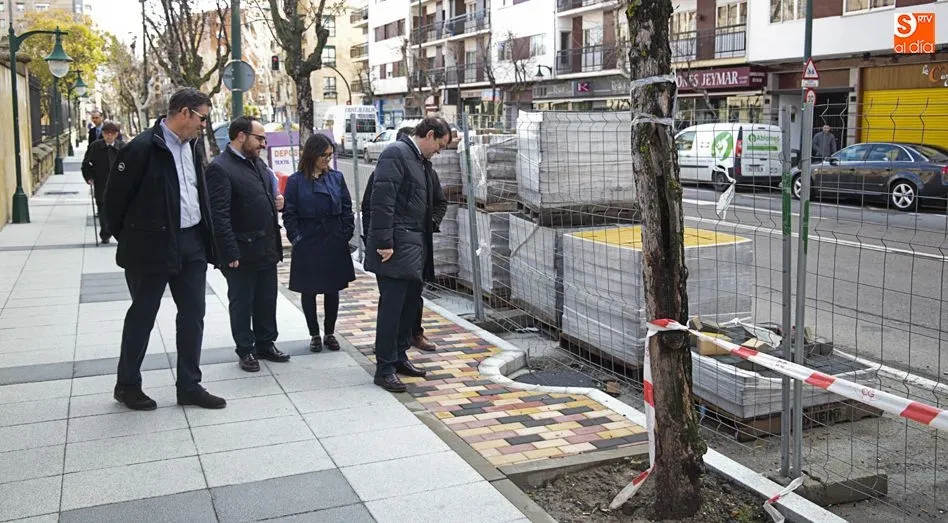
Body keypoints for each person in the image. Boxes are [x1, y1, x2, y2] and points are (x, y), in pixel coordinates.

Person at [104, 87, 226, 411]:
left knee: (193, 314)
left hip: (192, 243)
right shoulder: (142, 148)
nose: (204, 125)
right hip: (152, 247)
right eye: (202, 118)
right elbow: (113, 205)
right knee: (143, 316)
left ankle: (190, 385)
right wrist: (137, 238)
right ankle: (127, 385)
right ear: (184, 113)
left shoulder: (194, 146)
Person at [364, 117, 451, 392]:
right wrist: (385, 242)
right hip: (395, 248)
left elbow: (439, 201)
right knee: (391, 309)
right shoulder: (396, 154)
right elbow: (381, 201)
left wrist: (430, 225)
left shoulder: (422, 163)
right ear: (428, 134)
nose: (439, 150)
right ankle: (384, 367)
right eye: (440, 144)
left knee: (409, 308)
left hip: (416, 246)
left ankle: (400, 357)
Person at [205, 116, 290, 373]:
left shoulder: (258, 164)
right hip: (240, 251)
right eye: (259, 138)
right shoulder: (220, 168)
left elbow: (266, 196)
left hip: (265, 246)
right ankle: (246, 348)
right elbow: (218, 215)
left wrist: (279, 202)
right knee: (242, 301)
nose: (263, 144)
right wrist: (229, 251)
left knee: (266, 298)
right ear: (241, 136)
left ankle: (266, 343)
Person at [283, 133, 356, 353]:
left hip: (333, 239)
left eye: (330, 155)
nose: (327, 159)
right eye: (323, 155)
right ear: (312, 154)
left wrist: (345, 233)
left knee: (332, 289)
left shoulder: (336, 178)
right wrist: (297, 239)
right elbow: (289, 213)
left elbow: (346, 207)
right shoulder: (296, 181)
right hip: (308, 240)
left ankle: (330, 333)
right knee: (309, 290)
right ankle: (314, 333)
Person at [81, 120, 125, 244]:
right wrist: (89, 177)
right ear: (103, 134)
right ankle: (105, 233)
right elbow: (86, 164)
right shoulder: (95, 146)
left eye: (112, 133)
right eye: (107, 133)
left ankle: (118, 231)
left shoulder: (122, 147)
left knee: (119, 209)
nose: (109, 136)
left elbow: (131, 164)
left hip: (119, 185)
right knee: (102, 209)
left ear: (116, 134)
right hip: (101, 183)